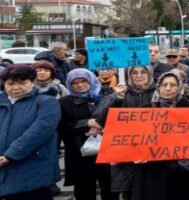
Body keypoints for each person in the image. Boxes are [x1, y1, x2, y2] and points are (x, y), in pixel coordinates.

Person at [130, 70, 189, 200]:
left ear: (180, 87)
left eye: (173, 85)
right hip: (153, 171)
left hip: (182, 171)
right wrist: (138, 153)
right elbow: (137, 139)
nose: (168, 89)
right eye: (164, 85)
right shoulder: (145, 110)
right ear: (158, 87)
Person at [92, 66, 156, 197]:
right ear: (129, 75)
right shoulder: (118, 94)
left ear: (150, 75)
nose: (139, 75)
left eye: (143, 72)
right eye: (134, 73)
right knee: (130, 192)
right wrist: (117, 99)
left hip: (152, 152)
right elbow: (100, 120)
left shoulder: (159, 94)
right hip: (126, 154)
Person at [0, 64, 61, 200]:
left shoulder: (46, 102)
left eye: (22, 83)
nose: (15, 88)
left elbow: (40, 131)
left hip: (33, 165)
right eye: (10, 83)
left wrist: (9, 155)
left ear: (33, 82)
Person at [58, 69, 115, 200]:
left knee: (110, 187)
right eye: (74, 83)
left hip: (106, 149)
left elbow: (117, 116)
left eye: (84, 81)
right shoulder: (64, 102)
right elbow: (62, 127)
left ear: (91, 80)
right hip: (80, 152)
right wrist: (86, 123)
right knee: (84, 190)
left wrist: (104, 127)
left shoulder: (106, 95)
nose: (80, 85)